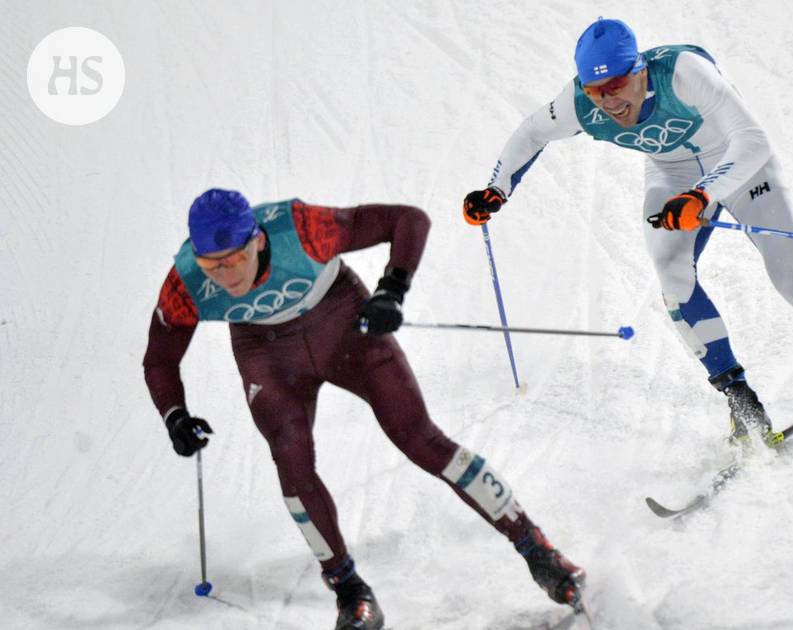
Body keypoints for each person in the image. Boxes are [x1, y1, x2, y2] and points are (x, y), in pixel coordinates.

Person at [463, 19, 793, 445]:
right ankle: (741, 401)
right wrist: (496, 190)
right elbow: (530, 132)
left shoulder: (683, 73)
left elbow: (752, 139)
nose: (609, 100)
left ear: (640, 70)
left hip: (742, 166)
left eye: (618, 84)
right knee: (673, 281)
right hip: (673, 175)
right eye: (596, 90)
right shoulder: (581, 104)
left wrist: (703, 196)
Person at [143, 189, 585, 630]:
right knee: (292, 463)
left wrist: (392, 289)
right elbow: (160, 359)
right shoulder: (186, 282)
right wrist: (174, 415)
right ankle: (350, 592)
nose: (224, 275)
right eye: (210, 265)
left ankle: (538, 550)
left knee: (420, 439)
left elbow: (408, 219)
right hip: (267, 354)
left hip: (341, 325)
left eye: (234, 259)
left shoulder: (303, 229)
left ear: (258, 240)